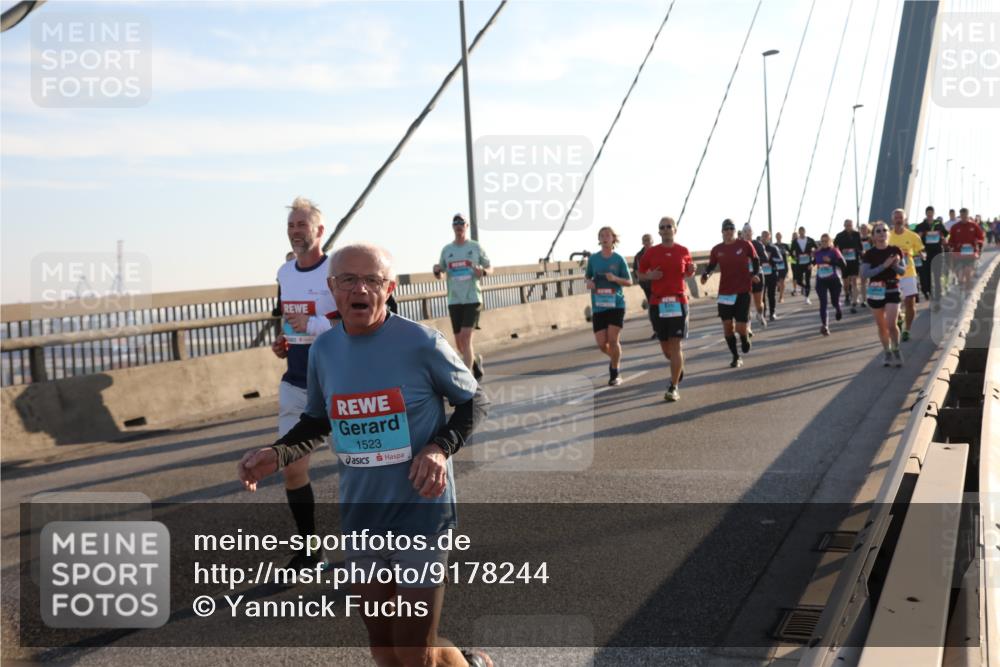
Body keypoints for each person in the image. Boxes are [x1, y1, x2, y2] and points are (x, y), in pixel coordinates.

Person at [240, 243, 493, 667]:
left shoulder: (421, 342)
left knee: (415, 650)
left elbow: (474, 401)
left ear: (389, 288)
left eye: (372, 280)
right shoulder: (324, 351)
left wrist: (438, 448)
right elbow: (319, 420)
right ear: (332, 288)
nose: (361, 288)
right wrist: (278, 453)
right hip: (362, 517)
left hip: (421, 514)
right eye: (348, 280)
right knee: (385, 646)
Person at [271, 196, 338, 569]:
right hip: (297, 382)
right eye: (291, 226)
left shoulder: (337, 270)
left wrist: (312, 327)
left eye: (302, 225)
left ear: (319, 230)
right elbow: (288, 321)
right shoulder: (284, 274)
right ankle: (310, 548)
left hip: (339, 385)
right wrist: (285, 343)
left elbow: (358, 326)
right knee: (292, 468)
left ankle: (381, 550)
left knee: (367, 469)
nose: (296, 231)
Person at [637, 216, 696, 401]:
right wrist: (650, 275)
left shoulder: (683, 250)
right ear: (659, 231)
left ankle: (673, 386)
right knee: (666, 349)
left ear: (675, 229)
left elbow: (688, 271)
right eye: (662, 227)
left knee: (676, 344)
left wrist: (692, 270)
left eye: (669, 226)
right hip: (658, 303)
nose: (665, 229)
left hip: (678, 301)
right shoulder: (651, 253)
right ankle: (678, 367)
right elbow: (640, 274)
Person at [434, 213, 492, 381]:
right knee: (460, 343)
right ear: (453, 227)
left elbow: (489, 267)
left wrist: (484, 272)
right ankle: (476, 362)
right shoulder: (447, 250)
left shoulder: (475, 247)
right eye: (455, 223)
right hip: (454, 299)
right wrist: (437, 271)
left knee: (466, 337)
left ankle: (467, 380)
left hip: (472, 297)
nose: (459, 225)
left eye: (462, 223)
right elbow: (441, 274)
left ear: (467, 226)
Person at [701, 219, 759, 368]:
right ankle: (735, 356)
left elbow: (755, 259)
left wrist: (755, 273)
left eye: (731, 228)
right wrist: (706, 275)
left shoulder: (745, 245)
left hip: (742, 290)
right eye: (725, 229)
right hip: (725, 293)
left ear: (735, 230)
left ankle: (745, 338)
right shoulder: (717, 249)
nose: (728, 231)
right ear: (722, 232)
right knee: (727, 327)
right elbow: (711, 266)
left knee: (740, 327)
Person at [585, 226, 633, 386]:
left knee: (613, 340)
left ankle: (615, 371)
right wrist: (589, 282)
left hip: (616, 305)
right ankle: (615, 357)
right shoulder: (593, 259)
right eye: (601, 235)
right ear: (599, 239)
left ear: (613, 239)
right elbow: (587, 277)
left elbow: (629, 281)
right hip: (599, 306)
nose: (604, 238)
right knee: (601, 344)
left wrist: (615, 279)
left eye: (607, 235)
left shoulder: (619, 259)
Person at [861, 221, 906, 367]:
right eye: (878, 231)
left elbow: (902, 271)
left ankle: (896, 348)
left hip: (893, 288)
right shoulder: (869, 254)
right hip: (875, 291)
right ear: (873, 236)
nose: (881, 233)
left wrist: (894, 265)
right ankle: (887, 351)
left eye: (884, 230)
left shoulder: (896, 250)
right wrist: (883, 266)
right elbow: (864, 273)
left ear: (889, 233)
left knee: (891, 324)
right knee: (881, 326)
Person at [887, 208, 925, 342]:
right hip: (892, 275)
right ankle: (899, 318)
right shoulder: (888, 236)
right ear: (893, 219)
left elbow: (921, 251)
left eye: (900, 217)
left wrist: (922, 255)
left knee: (910, 302)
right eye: (896, 217)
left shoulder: (913, 236)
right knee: (893, 303)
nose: (898, 219)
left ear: (905, 220)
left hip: (909, 273)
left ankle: (907, 330)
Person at [813, 234, 847, 335]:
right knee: (823, 303)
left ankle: (838, 309)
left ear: (830, 241)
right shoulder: (818, 252)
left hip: (834, 280)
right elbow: (814, 261)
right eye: (822, 241)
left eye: (826, 241)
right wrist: (810, 265)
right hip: (821, 280)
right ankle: (825, 326)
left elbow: (843, 265)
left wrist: (831, 261)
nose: (824, 243)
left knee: (834, 301)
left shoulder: (834, 251)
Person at [914, 205, 949, 303]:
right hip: (926, 253)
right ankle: (927, 291)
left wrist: (943, 237)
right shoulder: (920, 226)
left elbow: (946, 234)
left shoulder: (938, 224)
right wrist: (919, 236)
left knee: (937, 275)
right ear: (926, 214)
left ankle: (938, 294)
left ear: (933, 214)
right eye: (928, 214)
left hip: (937, 252)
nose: (930, 215)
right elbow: (914, 237)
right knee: (926, 275)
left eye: (931, 213)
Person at [947, 207, 986, 292]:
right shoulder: (955, 227)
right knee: (960, 276)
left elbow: (981, 238)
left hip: (970, 254)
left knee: (968, 272)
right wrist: (953, 245)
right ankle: (962, 285)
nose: (964, 217)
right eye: (962, 215)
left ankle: (968, 292)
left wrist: (977, 242)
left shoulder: (974, 226)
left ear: (968, 215)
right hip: (958, 254)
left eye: (965, 215)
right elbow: (950, 241)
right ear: (960, 216)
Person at [833, 219, 863, 313]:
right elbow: (834, 248)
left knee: (854, 281)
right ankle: (847, 294)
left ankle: (854, 300)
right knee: (846, 283)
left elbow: (860, 247)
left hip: (854, 261)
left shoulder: (857, 234)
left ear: (852, 225)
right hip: (844, 262)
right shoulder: (839, 235)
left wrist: (858, 252)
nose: (849, 227)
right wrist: (840, 253)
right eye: (847, 225)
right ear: (844, 226)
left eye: (850, 225)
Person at [742, 224, 769, 327]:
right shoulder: (739, 245)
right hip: (745, 277)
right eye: (745, 231)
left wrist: (754, 260)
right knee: (746, 302)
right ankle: (748, 324)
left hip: (757, 275)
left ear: (752, 233)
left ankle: (760, 314)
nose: (747, 233)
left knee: (759, 304)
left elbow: (765, 258)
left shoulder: (757, 244)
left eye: (749, 231)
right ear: (742, 233)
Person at [634, 233, 657, 340]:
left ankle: (664, 328)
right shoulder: (638, 256)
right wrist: (642, 280)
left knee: (661, 307)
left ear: (652, 241)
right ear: (642, 242)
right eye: (645, 240)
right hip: (647, 286)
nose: (647, 242)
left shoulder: (659, 252)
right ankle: (656, 330)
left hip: (660, 286)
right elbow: (635, 271)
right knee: (652, 308)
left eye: (649, 240)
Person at [759, 230, 782, 322]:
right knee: (762, 295)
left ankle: (772, 313)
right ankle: (763, 314)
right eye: (763, 236)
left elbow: (780, 259)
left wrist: (771, 259)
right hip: (761, 274)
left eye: (766, 236)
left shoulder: (774, 248)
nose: (764, 238)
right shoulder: (758, 248)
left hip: (772, 274)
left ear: (769, 237)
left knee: (771, 295)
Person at [790, 227, 817, 304]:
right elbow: (791, 251)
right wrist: (794, 257)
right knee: (798, 281)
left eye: (803, 231)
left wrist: (813, 262)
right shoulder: (795, 241)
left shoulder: (810, 240)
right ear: (799, 232)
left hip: (808, 264)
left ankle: (807, 298)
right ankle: (804, 288)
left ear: (805, 231)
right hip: (799, 264)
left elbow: (817, 249)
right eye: (800, 231)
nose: (801, 232)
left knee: (808, 280)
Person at [859, 223, 873, 308]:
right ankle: (863, 300)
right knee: (863, 281)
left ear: (868, 229)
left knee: (872, 281)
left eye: (865, 228)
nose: (863, 230)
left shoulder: (871, 238)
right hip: (862, 261)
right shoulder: (858, 239)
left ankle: (871, 298)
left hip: (872, 261)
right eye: (862, 228)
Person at [773, 231, 790, 303]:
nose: (778, 237)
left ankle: (781, 297)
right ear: (775, 237)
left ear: (781, 237)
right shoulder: (773, 246)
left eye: (779, 236)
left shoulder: (785, 245)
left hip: (784, 265)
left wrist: (787, 253)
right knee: (777, 282)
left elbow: (790, 253)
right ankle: (779, 286)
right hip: (776, 266)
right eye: (777, 236)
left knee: (782, 280)